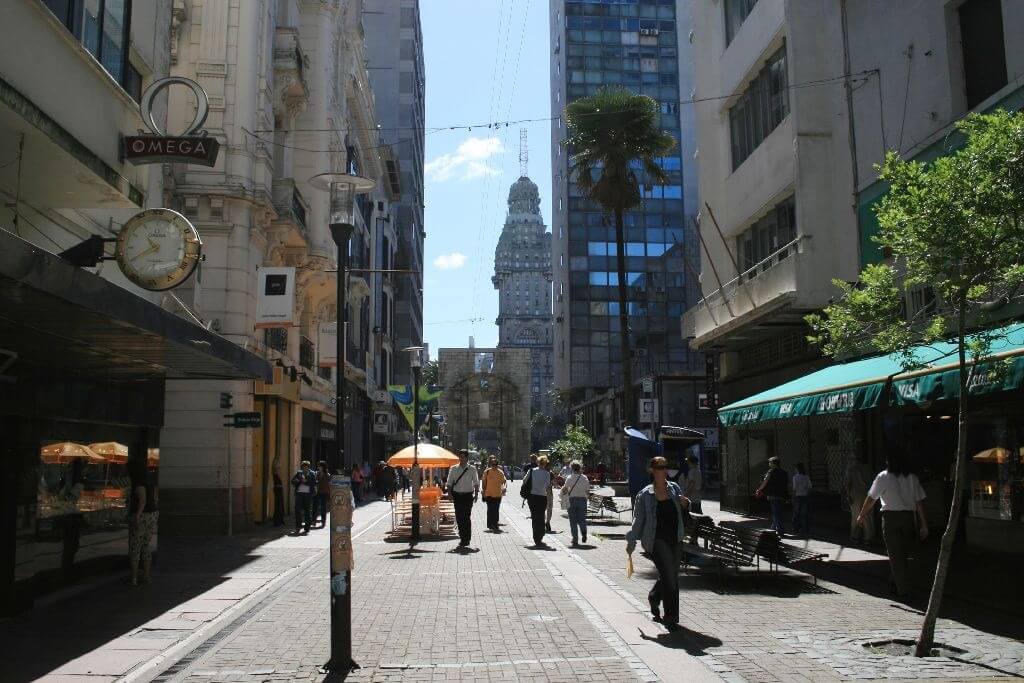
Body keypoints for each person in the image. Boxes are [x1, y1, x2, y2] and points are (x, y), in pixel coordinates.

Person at [626, 456, 689, 630]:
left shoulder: (674, 488)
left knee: (671, 575)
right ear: (652, 470)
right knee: (670, 576)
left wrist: (686, 503)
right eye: (660, 467)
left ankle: (654, 597)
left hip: (675, 537)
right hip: (656, 540)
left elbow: (684, 505)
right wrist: (631, 541)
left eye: (665, 467)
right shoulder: (645, 494)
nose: (664, 470)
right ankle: (671, 617)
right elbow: (638, 519)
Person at [856, 452, 928, 599]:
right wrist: (924, 525)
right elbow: (919, 503)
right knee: (904, 553)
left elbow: (871, 498)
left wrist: (862, 515)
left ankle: (903, 590)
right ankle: (895, 583)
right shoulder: (912, 478)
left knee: (895, 555)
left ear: (888, 462)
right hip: (909, 518)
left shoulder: (883, 477)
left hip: (890, 518)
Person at [127, 465, 158, 586]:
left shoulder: (139, 484)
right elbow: (155, 498)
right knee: (146, 546)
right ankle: (146, 576)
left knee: (135, 547)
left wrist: (137, 516)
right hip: (153, 514)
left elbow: (142, 500)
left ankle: (134, 578)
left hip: (143, 516)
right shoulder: (151, 481)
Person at [446, 449, 480, 548]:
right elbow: (449, 483)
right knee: (459, 518)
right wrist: (449, 494)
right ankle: (462, 538)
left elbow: (476, 483)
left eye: (463, 457)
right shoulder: (453, 468)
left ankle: (467, 538)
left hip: (468, 496)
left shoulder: (472, 469)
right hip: (457, 495)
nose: (461, 458)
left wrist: (477, 495)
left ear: (467, 457)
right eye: (460, 456)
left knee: (466, 517)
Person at [525, 455, 553, 547]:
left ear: (537, 462)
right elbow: (548, 488)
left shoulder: (531, 471)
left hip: (532, 497)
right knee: (541, 516)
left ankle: (536, 537)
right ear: (545, 463)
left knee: (534, 517)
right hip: (542, 497)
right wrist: (549, 500)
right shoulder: (546, 474)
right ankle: (540, 536)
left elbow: (524, 481)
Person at [755, 456, 788, 535]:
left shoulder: (771, 471)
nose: (769, 464)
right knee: (778, 512)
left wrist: (759, 489)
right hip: (782, 495)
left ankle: (780, 530)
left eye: (770, 462)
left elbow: (765, 482)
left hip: (774, 494)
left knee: (776, 513)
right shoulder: (784, 472)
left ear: (773, 463)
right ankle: (774, 527)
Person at [846, 458, 876, 543]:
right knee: (868, 516)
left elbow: (848, 483)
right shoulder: (869, 469)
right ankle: (868, 537)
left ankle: (855, 536)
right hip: (868, 494)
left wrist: (848, 496)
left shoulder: (851, 469)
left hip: (855, 495)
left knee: (856, 515)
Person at [562, 461, 591, 547]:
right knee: (582, 519)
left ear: (572, 468)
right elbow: (588, 491)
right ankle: (584, 532)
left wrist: (562, 491)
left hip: (572, 500)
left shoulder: (569, 478)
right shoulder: (584, 478)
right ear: (580, 468)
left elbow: (565, 489)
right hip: (582, 500)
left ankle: (575, 539)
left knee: (573, 521)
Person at [481, 456, 507, 531]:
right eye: (492, 465)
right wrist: (483, 490)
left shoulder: (500, 472)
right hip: (488, 493)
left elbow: (504, 481)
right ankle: (490, 524)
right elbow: (483, 481)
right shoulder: (487, 471)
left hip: (498, 494)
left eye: (495, 465)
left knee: (495, 510)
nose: (494, 466)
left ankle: (495, 524)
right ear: (491, 464)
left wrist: (504, 487)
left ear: (497, 465)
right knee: (490, 509)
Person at [291, 460, 316, 534]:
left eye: (306, 467)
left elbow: (314, 483)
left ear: (308, 467)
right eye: (303, 467)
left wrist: (306, 482)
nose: (304, 468)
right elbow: (292, 481)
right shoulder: (299, 473)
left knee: (307, 511)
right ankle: (298, 527)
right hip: (299, 494)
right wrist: (299, 481)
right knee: (297, 510)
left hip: (308, 495)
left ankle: (307, 528)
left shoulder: (312, 474)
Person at [791, 463, 812, 537]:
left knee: (796, 513)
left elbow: (794, 488)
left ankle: (796, 528)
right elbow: (809, 487)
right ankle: (804, 528)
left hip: (797, 496)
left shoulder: (795, 477)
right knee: (804, 513)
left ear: (797, 469)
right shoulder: (806, 477)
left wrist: (792, 497)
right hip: (805, 496)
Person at [315, 462, 331, 527]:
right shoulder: (317, 474)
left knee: (323, 508)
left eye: (320, 466)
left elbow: (329, 484)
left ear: (323, 467)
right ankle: (314, 520)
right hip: (317, 492)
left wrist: (330, 494)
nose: (318, 467)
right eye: (318, 466)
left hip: (324, 492)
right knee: (315, 506)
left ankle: (323, 521)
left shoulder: (327, 475)